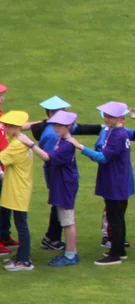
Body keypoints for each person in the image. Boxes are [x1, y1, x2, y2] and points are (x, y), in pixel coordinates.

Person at [29, 96, 113, 252]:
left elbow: (80, 128)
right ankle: (53, 239)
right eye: (64, 111)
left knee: (58, 205)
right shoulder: (53, 135)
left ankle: (51, 238)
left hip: (60, 174)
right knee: (60, 207)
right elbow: (50, 159)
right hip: (59, 176)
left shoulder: (53, 129)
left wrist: (105, 126)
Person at [85, 102, 135, 266]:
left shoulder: (117, 135)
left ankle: (115, 254)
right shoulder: (117, 132)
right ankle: (119, 250)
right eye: (105, 116)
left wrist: (80, 147)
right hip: (116, 179)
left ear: (120, 118)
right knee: (117, 216)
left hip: (114, 180)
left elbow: (103, 157)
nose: (106, 119)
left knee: (115, 217)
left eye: (110, 116)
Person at [33, 110, 85, 267]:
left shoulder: (67, 145)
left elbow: (48, 158)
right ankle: (70, 253)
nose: (56, 127)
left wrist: (30, 145)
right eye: (55, 124)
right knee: (64, 219)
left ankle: (70, 255)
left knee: (68, 221)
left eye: (60, 125)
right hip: (62, 184)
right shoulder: (61, 140)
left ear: (69, 126)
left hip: (65, 185)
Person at [92, 108, 135, 250]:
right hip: (113, 175)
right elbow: (100, 153)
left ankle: (116, 238)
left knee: (121, 206)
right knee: (112, 207)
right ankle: (108, 237)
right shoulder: (107, 133)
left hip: (123, 174)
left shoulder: (122, 131)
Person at [0, 110, 36, 271]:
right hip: (19, 187)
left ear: (15, 127)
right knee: (20, 223)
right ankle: (21, 257)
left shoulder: (16, 145)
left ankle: (24, 260)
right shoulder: (19, 140)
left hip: (17, 189)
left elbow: (2, 157)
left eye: (8, 126)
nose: (5, 128)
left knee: (21, 225)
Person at [0, 83, 14, 255]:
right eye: (0, 96)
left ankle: (4, 235)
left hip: (5, 165)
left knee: (5, 203)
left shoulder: (1, 116)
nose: (3, 99)